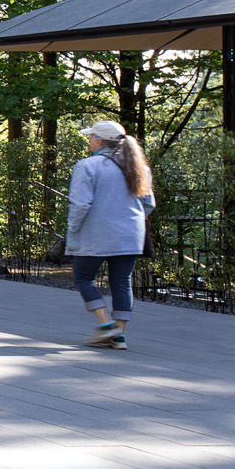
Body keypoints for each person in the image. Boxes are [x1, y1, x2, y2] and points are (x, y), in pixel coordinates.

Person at [67, 119, 156, 350]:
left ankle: (106, 325)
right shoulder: (139, 168)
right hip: (130, 236)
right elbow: (149, 205)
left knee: (83, 277)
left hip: (96, 233)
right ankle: (120, 335)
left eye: (91, 136)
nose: (89, 141)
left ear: (99, 140)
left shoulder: (88, 166)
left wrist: (73, 229)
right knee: (122, 281)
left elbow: (80, 205)